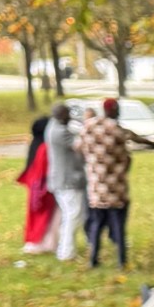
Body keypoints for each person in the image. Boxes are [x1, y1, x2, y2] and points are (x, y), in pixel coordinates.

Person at [76, 97, 154, 268]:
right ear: (114, 110)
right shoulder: (118, 131)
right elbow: (129, 153)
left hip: (96, 187)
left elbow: (79, 148)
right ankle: (121, 260)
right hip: (116, 188)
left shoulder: (88, 127)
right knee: (118, 224)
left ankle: (93, 259)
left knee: (96, 224)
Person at [43, 101, 85, 263]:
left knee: (69, 215)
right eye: (67, 115)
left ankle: (65, 249)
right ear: (62, 117)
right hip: (68, 180)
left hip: (59, 179)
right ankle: (66, 252)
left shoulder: (52, 127)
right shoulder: (61, 132)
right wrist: (85, 128)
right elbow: (79, 145)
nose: (70, 118)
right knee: (73, 215)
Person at [18, 113, 57, 252]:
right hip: (43, 186)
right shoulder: (44, 147)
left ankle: (35, 240)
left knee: (34, 214)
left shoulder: (35, 145)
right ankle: (42, 241)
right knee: (45, 215)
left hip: (34, 184)